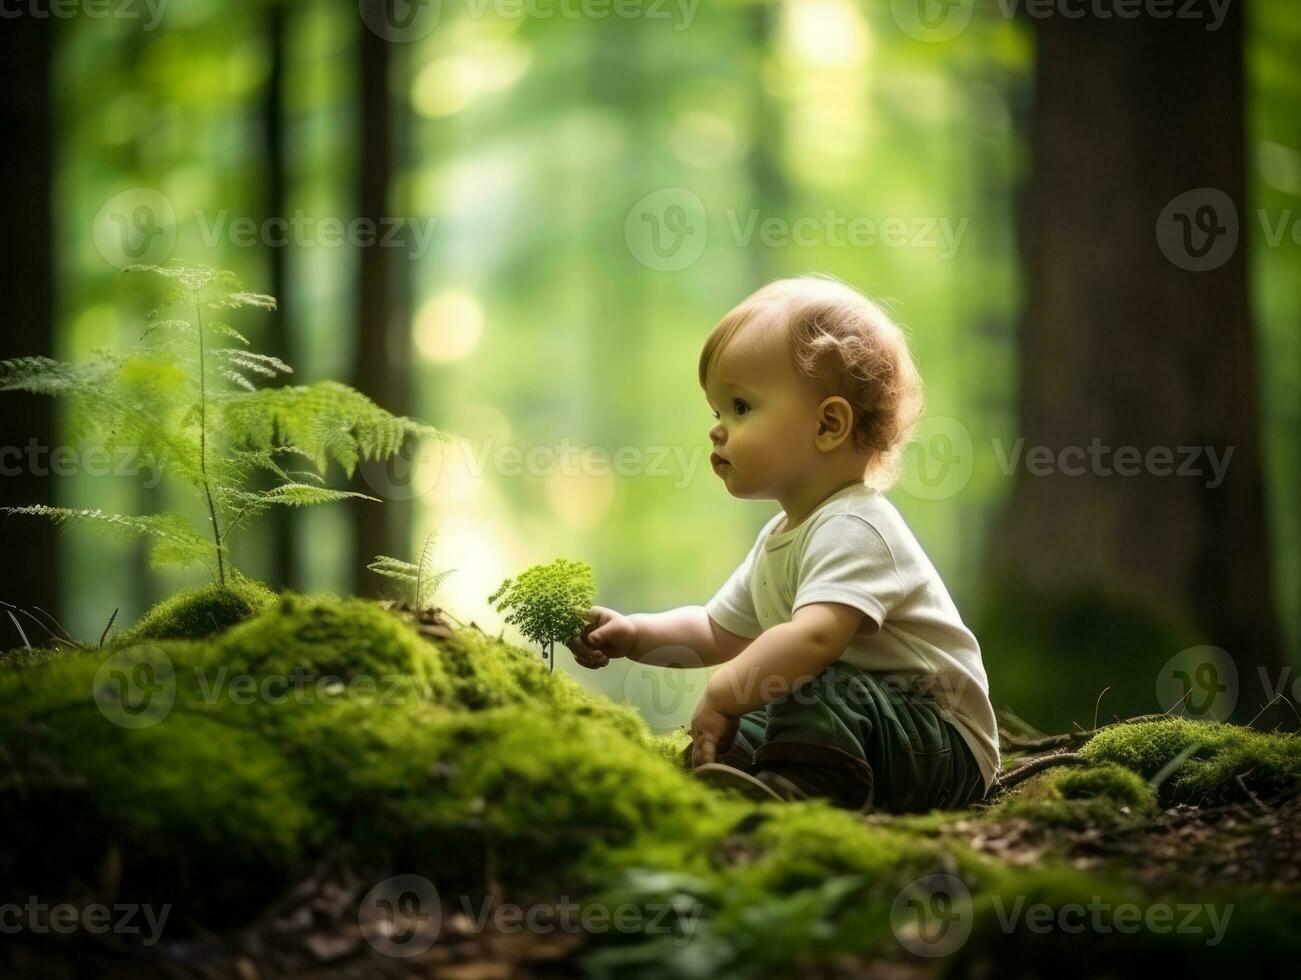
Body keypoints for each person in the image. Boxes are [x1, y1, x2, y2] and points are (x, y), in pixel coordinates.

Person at [565, 275, 999, 812]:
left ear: (829, 424)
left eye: (741, 407)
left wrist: (724, 693)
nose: (717, 430)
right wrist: (633, 635)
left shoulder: (856, 526)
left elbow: (815, 639)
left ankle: (798, 798)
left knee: (804, 685)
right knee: (750, 720)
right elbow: (715, 630)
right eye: (716, 412)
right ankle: (743, 783)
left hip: (941, 743)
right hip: (876, 728)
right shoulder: (782, 537)